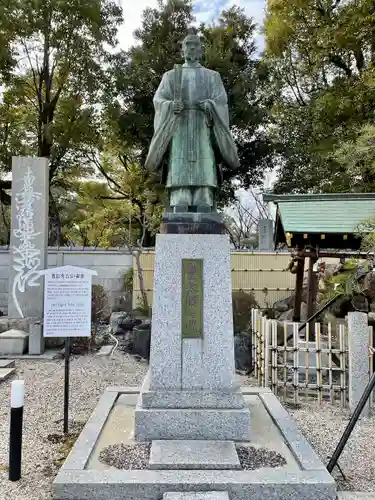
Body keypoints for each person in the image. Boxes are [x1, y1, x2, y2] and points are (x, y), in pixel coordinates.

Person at [145, 28, 240, 213]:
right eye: (188, 44)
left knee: (204, 158)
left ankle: (203, 196)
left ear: (201, 50)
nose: (191, 48)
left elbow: (221, 101)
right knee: (179, 160)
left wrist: (211, 105)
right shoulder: (170, 76)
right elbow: (158, 100)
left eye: (195, 44)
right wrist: (170, 105)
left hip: (203, 125)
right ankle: (180, 196)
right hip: (179, 125)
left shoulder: (212, 76)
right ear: (182, 50)